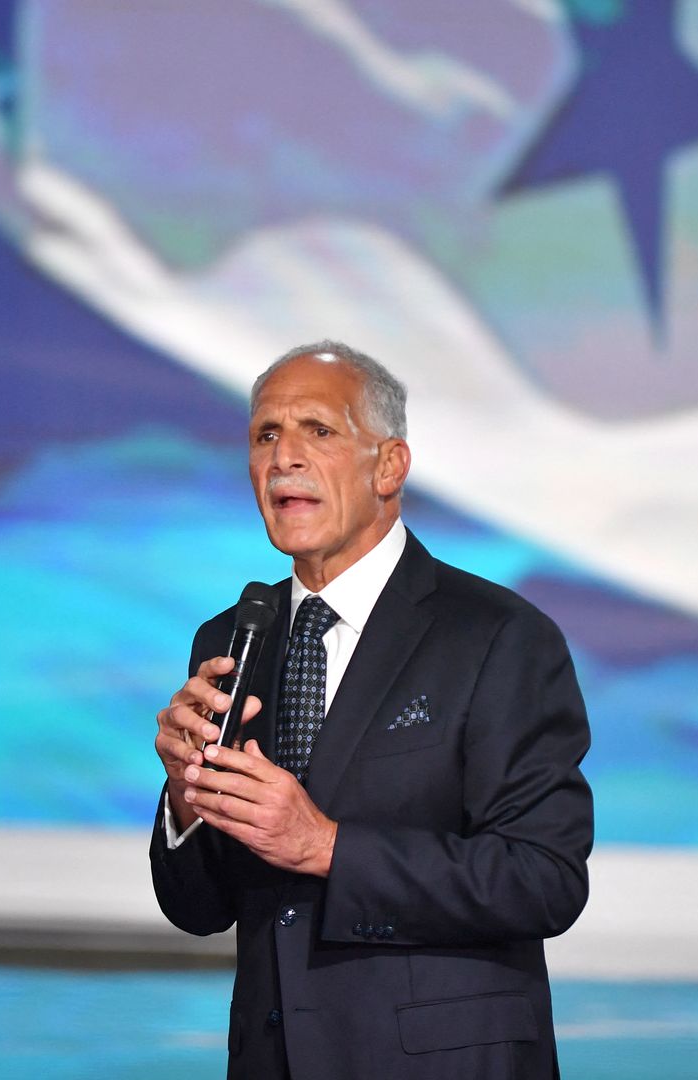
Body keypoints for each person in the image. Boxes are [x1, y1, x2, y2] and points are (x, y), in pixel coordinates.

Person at [149, 340, 593, 1079]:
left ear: (389, 466)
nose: (284, 456)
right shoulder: (232, 638)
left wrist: (325, 845)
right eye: (266, 435)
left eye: (318, 431)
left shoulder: (496, 636)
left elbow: (543, 878)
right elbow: (199, 909)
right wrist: (185, 799)